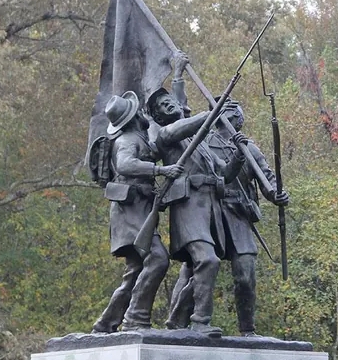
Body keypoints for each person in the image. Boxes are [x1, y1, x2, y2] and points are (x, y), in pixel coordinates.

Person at [165, 99, 289, 336]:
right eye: (230, 112)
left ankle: (248, 330)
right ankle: (178, 323)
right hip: (209, 212)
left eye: (237, 113)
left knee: (245, 274)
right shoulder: (203, 141)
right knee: (197, 269)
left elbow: (267, 179)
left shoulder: (249, 147)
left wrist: (277, 194)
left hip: (239, 216)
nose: (235, 116)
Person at [146, 66, 248, 338]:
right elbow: (189, 122)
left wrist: (238, 156)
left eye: (170, 100)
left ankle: (177, 319)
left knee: (200, 266)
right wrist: (213, 112)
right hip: (188, 209)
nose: (169, 104)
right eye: (163, 105)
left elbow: (224, 174)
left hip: (209, 209)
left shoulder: (198, 141)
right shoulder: (166, 135)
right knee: (208, 261)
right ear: (157, 116)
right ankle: (200, 321)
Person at [91, 91, 181, 333]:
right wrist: (160, 171)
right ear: (132, 118)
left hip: (139, 210)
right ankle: (136, 318)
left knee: (135, 271)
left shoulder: (139, 138)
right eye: (138, 111)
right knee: (158, 258)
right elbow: (125, 164)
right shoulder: (127, 140)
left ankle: (106, 323)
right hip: (129, 212)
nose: (142, 114)